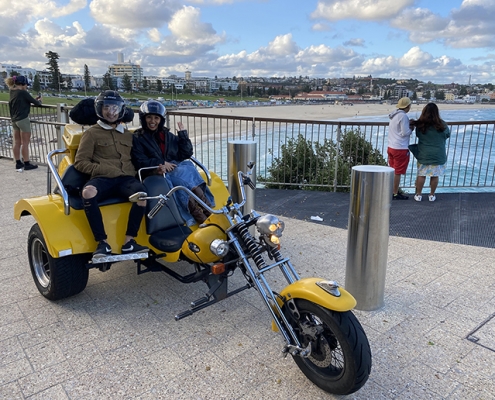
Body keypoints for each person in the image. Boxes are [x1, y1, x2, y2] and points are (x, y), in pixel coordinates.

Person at [74, 90, 148, 258]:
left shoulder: (128, 135)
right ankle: (102, 243)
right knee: (88, 192)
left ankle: (129, 242)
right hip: (103, 178)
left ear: (120, 110)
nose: (111, 112)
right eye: (106, 107)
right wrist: (102, 169)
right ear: (100, 109)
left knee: (142, 195)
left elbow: (140, 156)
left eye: (115, 108)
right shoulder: (91, 133)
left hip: (126, 179)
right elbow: (80, 162)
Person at [131, 100, 214, 225]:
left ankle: (207, 210)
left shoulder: (167, 135)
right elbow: (139, 160)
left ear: (161, 119)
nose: (152, 121)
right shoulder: (138, 138)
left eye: (156, 118)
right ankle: (200, 215)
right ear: (143, 118)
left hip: (173, 169)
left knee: (188, 169)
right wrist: (161, 163)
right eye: (149, 117)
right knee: (180, 180)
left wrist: (183, 136)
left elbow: (185, 154)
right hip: (155, 171)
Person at [411, 103, 450, 202]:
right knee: (434, 175)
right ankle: (432, 195)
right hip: (438, 155)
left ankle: (418, 195)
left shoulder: (421, 125)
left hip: (424, 154)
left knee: (421, 174)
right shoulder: (442, 124)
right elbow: (447, 135)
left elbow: (418, 135)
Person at [4, 75, 42, 172]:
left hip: (14, 120)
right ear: (22, 84)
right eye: (26, 85)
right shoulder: (23, 92)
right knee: (25, 143)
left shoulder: (12, 92)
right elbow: (36, 103)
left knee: (17, 142)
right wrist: (39, 100)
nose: (26, 87)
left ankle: (18, 162)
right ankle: (27, 163)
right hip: (23, 119)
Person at [388, 97, 414, 200]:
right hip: (400, 148)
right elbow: (405, 133)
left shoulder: (394, 115)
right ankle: (394, 193)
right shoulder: (403, 117)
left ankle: (391, 190)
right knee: (398, 172)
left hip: (391, 146)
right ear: (407, 106)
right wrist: (412, 128)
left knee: (393, 171)